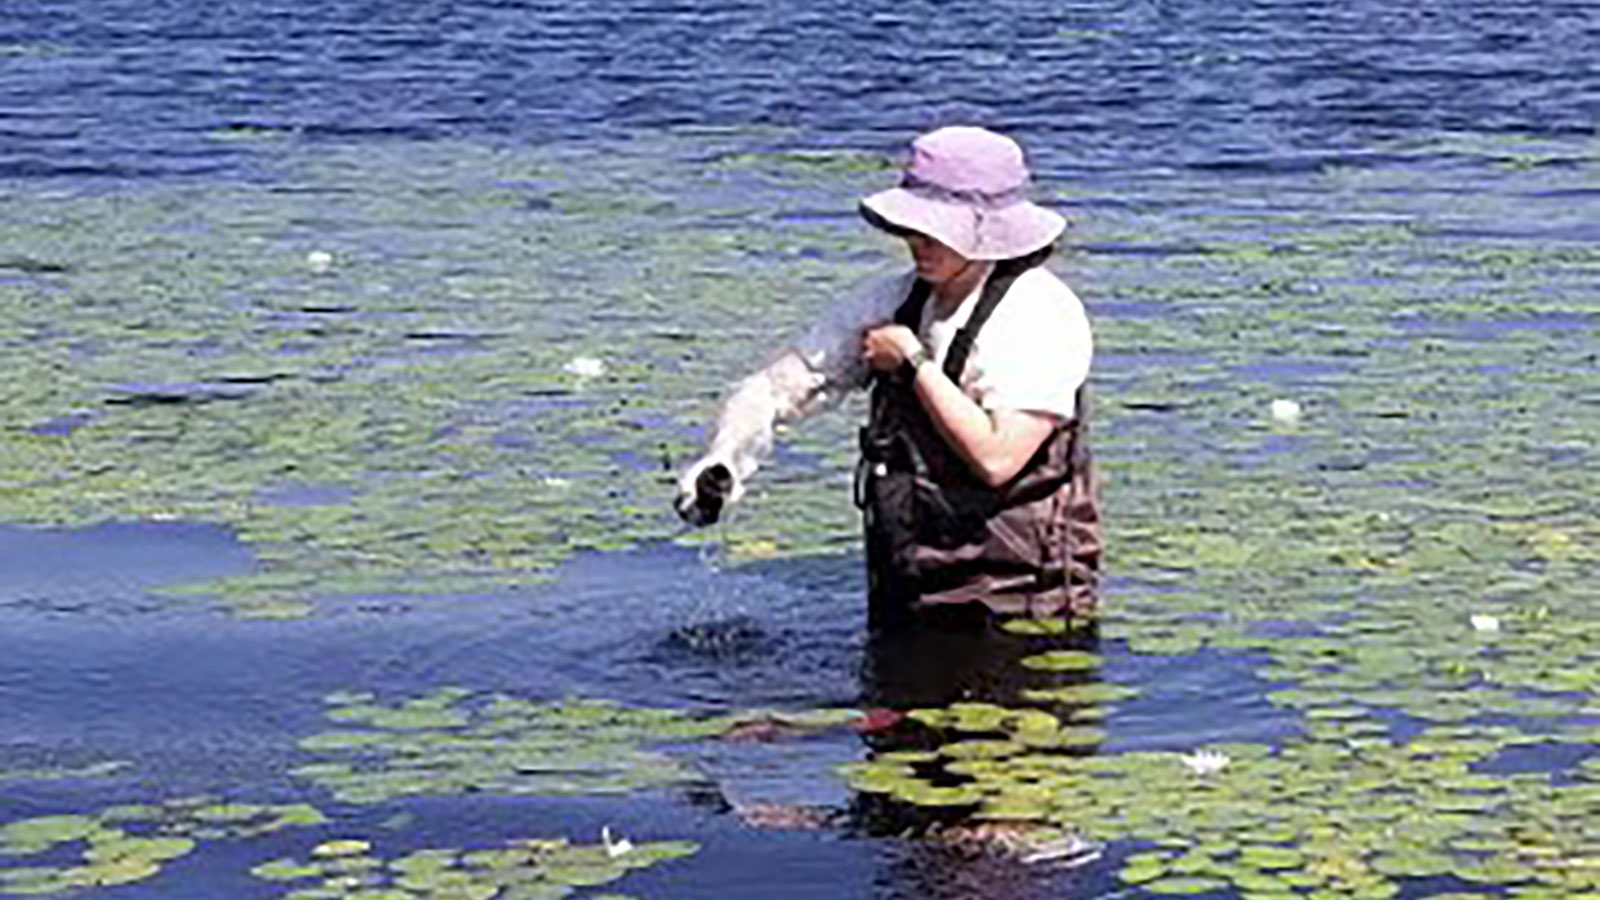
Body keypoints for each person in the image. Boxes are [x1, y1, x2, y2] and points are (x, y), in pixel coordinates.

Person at [675, 126, 1100, 628]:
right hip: (906, 582)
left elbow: (997, 459)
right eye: (912, 226)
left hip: (1020, 604)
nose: (916, 242)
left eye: (935, 229)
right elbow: (776, 387)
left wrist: (913, 361)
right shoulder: (892, 300)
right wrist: (724, 459)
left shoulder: (1039, 313)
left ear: (989, 229)